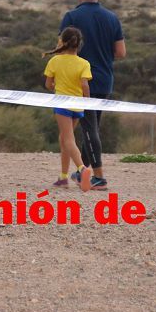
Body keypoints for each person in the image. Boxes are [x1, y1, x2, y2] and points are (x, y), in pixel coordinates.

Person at [59, 0, 126, 192]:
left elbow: (61, 49)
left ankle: (99, 177)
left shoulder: (71, 16)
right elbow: (121, 53)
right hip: (105, 79)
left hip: (78, 81)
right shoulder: (112, 18)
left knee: (89, 129)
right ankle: (84, 171)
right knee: (92, 126)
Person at [43, 27, 93, 191]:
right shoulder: (84, 63)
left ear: (63, 43)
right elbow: (85, 85)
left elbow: (48, 84)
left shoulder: (55, 61)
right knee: (64, 139)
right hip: (78, 106)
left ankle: (82, 169)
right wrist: (87, 101)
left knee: (68, 140)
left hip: (62, 105)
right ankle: (63, 177)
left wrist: (56, 87)